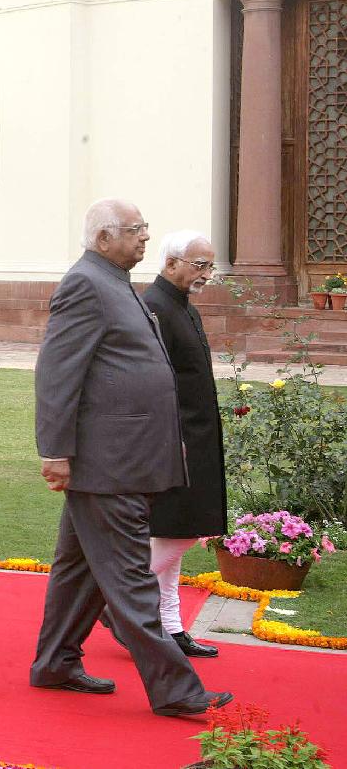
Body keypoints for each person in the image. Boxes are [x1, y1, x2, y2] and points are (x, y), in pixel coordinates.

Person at [30, 198, 232, 717]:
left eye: (145, 227)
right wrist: (55, 450)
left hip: (124, 457)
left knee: (79, 572)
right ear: (103, 238)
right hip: (107, 463)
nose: (145, 236)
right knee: (131, 578)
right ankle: (177, 690)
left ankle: (55, 662)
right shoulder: (85, 284)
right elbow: (57, 373)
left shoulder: (114, 281)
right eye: (135, 229)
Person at [141, 230, 228, 657]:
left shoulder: (181, 306)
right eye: (200, 265)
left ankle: (170, 625)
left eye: (210, 265)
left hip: (195, 438)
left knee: (174, 531)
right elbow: (153, 384)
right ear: (171, 262)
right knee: (180, 531)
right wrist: (170, 439)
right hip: (175, 442)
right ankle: (112, 600)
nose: (207, 274)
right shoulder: (155, 308)